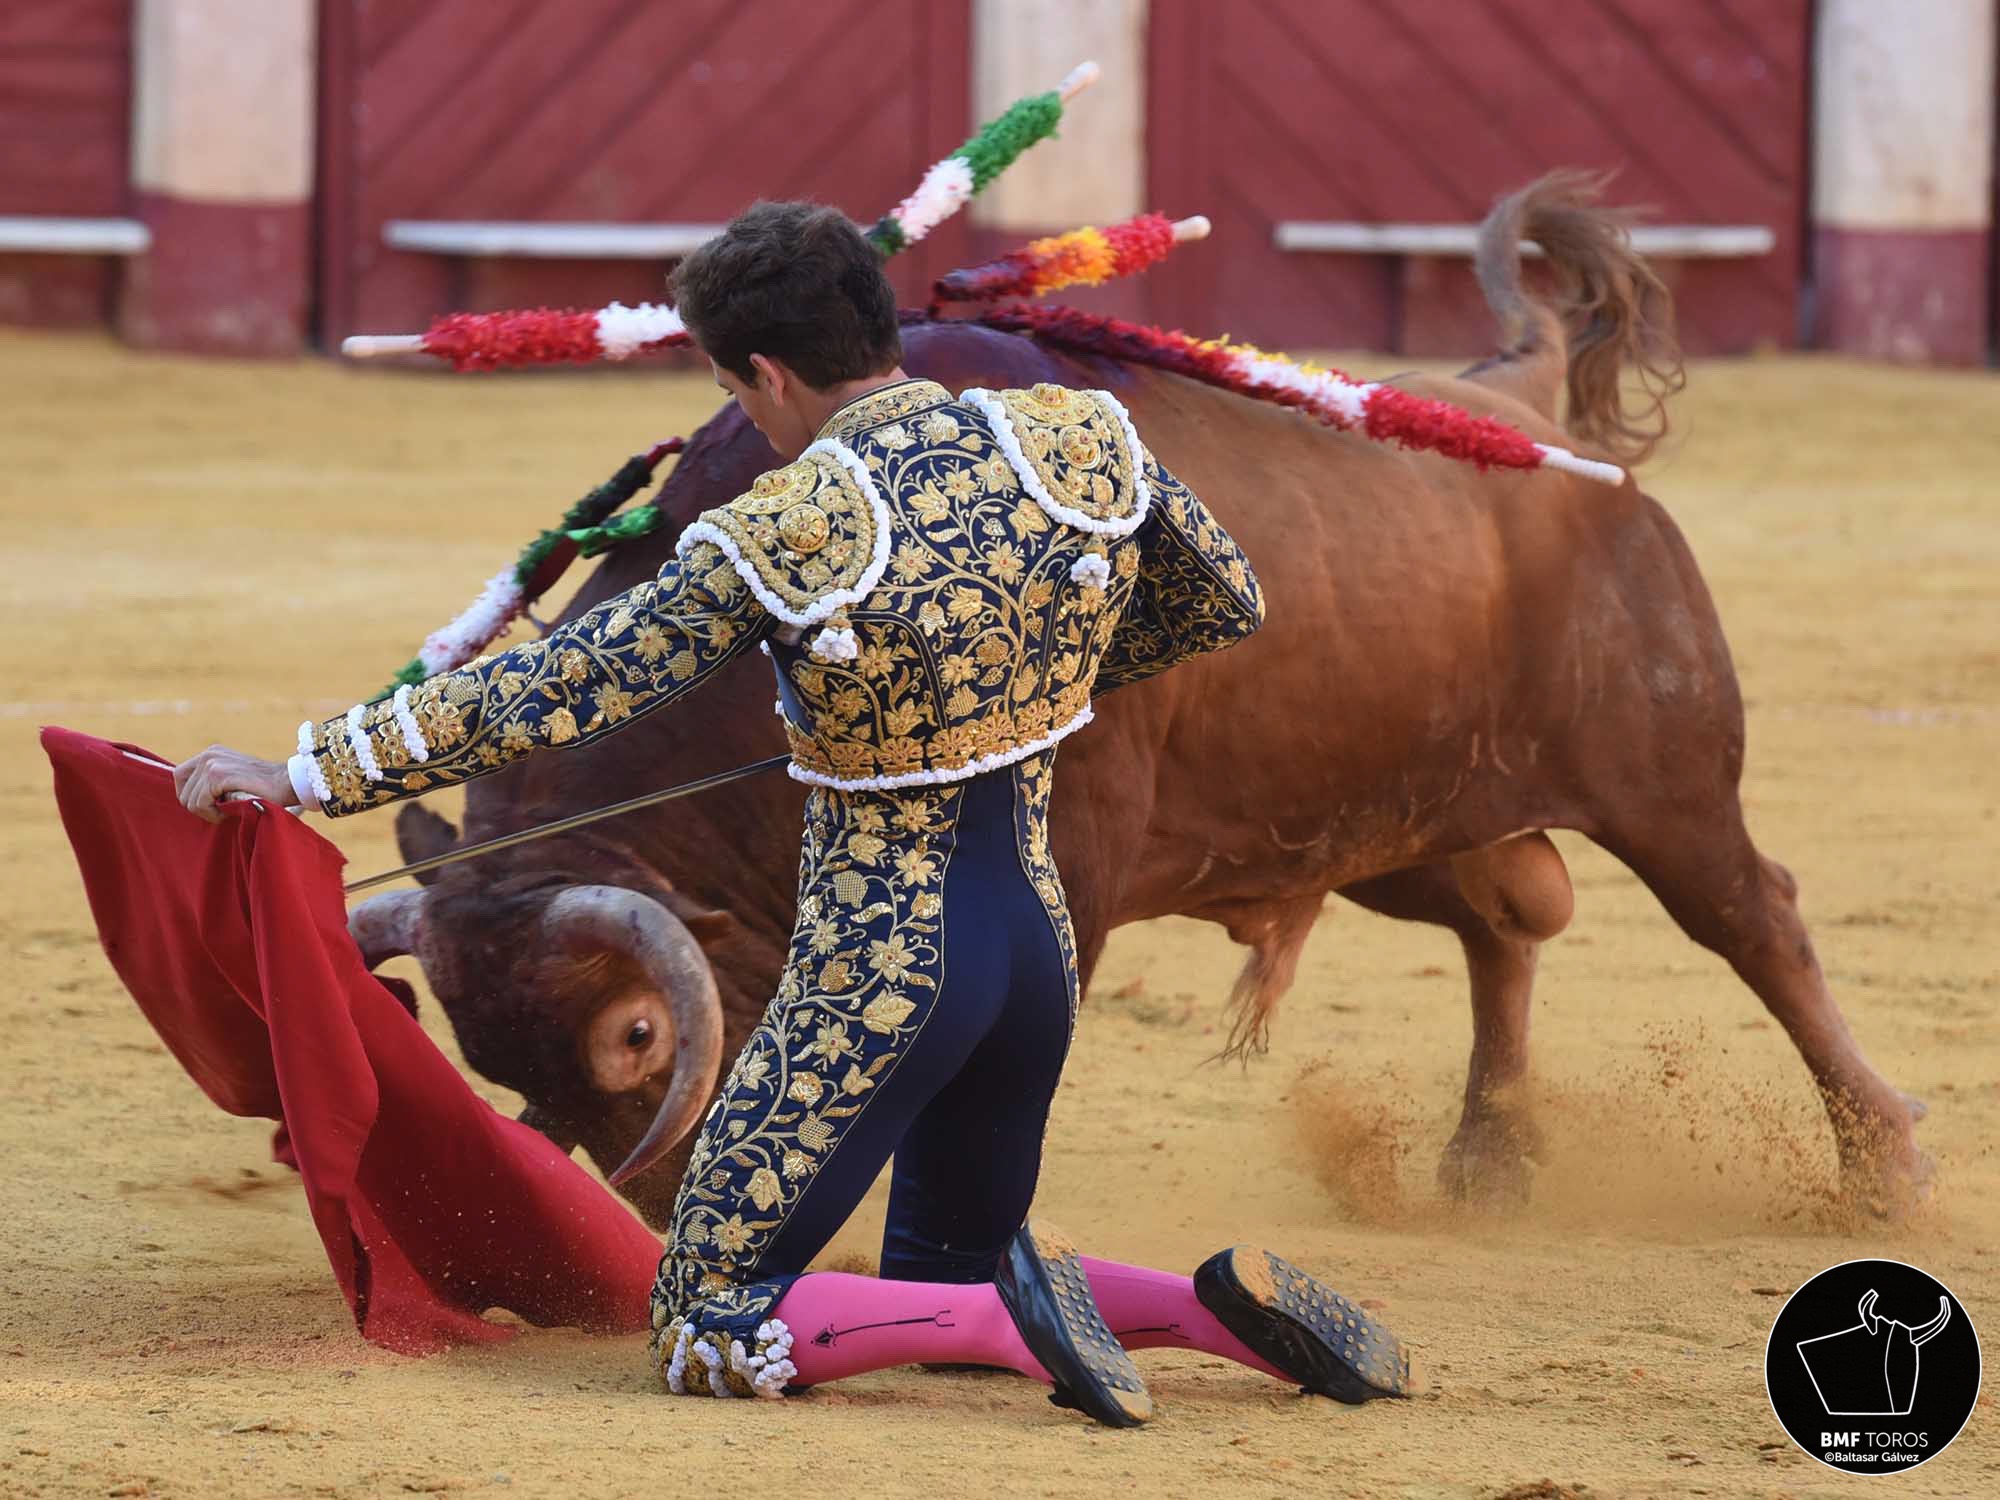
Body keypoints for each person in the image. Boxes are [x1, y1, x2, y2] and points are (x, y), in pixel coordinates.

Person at [174, 201, 1412, 1425]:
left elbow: (563, 686)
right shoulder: (1074, 438)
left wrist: (308, 774)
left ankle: (1014, 1324)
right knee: (941, 1269)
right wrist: (1029, 678)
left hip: (884, 970)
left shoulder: (786, 526)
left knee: (705, 1318)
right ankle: (1205, 1312)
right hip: (1031, 950)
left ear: (760, 373)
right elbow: (1225, 602)